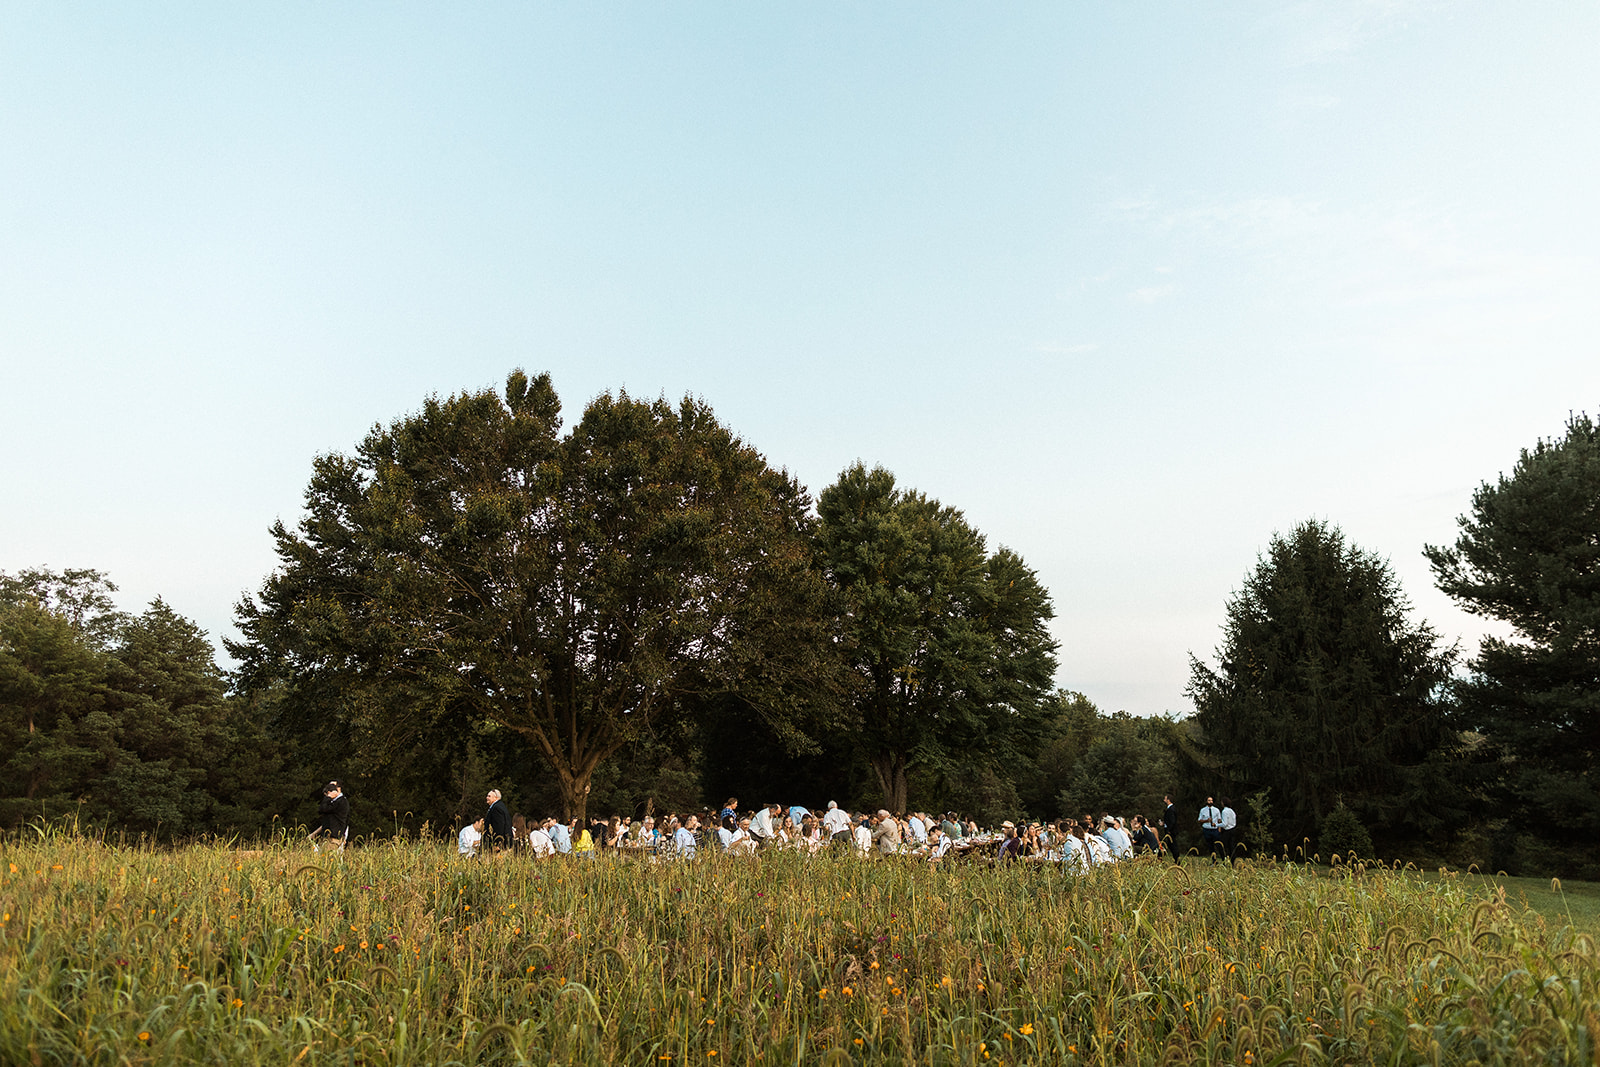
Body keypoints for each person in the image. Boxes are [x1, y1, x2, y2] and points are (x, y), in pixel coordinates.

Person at [311, 781, 349, 853]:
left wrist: (327, 797)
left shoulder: (341, 802)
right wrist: (314, 834)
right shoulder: (333, 802)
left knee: (327, 859)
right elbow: (324, 814)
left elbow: (324, 809)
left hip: (333, 838)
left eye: (332, 787)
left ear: (338, 789)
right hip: (327, 837)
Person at [1198, 796, 1224, 863]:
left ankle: (1224, 860)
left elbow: (1219, 820)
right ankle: (1214, 861)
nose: (1210, 802)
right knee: (1210, 846)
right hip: (1207, 829)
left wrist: (1219, 828)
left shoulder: (1216, 810)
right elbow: (1199, 820)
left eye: (1211, 800)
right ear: (1206, 801)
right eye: (1209, 800)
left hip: (1215, 829)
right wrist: (1206, 820)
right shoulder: (1203, 810)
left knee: (1219, 845)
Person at [1161, 795, 1182, 864]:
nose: (1164, 800)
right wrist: (1164, 823)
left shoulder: (1171, 809)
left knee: (1173, 845)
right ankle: (1176, 859)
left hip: (1171, 831)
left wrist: (1169, 829)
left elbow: (1172, 821)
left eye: (1165, 798)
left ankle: (1177, 859)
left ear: (1168, 800)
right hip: (1170, 829)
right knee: (1171, 845)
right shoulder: (1170, 809)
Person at [1219, 798, 1239, 865]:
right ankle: (1232, 862)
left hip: (1227, 830)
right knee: (1231, 847)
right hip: (1233, 829)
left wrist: (1216, 824)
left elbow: (1225, 824)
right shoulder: (1232, 811)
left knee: (1222, 847)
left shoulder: (1224, 811)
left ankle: (1224, 861)